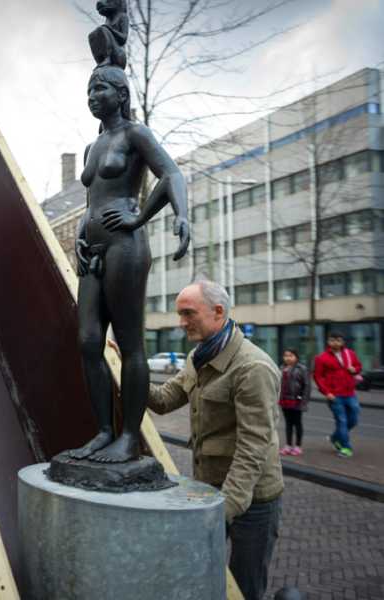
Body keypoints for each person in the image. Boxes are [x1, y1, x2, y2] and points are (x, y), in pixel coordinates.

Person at [70, 62, 189, 463]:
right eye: (89, 90)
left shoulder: (136, 134)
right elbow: (92, 202)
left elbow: (171, 174)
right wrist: (79, 237)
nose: (92, 97)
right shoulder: (92, 147)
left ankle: (128, 436)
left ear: (121, 95)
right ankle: (104, 430)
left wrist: (156, 216)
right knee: (88, 342)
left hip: (126, 247)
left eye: (100, 89)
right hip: (93, 253)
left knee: (130, 342)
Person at [147, 280, 283, 600]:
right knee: (196, 575)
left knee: (243, 587)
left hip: (252, 501)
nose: (181, 323)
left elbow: (253, 447)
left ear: (218, 311)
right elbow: (164, 400)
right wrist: (127, 365)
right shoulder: (199, 356)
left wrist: (223, 509)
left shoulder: (253, 367)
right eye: (179, 315)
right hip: (210, 494)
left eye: (188, 313)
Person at [313, 332, 362, 458]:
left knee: (354, 418)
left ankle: (335, 437)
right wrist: (327, 392)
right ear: (328, 342)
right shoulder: (321, 358)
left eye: (338, 340)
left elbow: (358, 366)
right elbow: (318, 377)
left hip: (350, 392)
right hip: (335, 395)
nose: (335, 342)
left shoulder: (350, 354)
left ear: (342, 342)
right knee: (342, 421)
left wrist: (355, 370)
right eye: (332, 340)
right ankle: (346, 447)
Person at [278, 349, 310, 457]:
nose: (288, 358)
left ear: (296, 357)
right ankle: (288, 445)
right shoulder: (282, 368)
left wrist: (304, 402)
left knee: (297, 423)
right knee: (288, 423)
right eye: (286, 355)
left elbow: (307, 386)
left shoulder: (302, 368)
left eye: (291, 355)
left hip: (297, 400)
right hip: (285, 400)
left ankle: (298, 446)